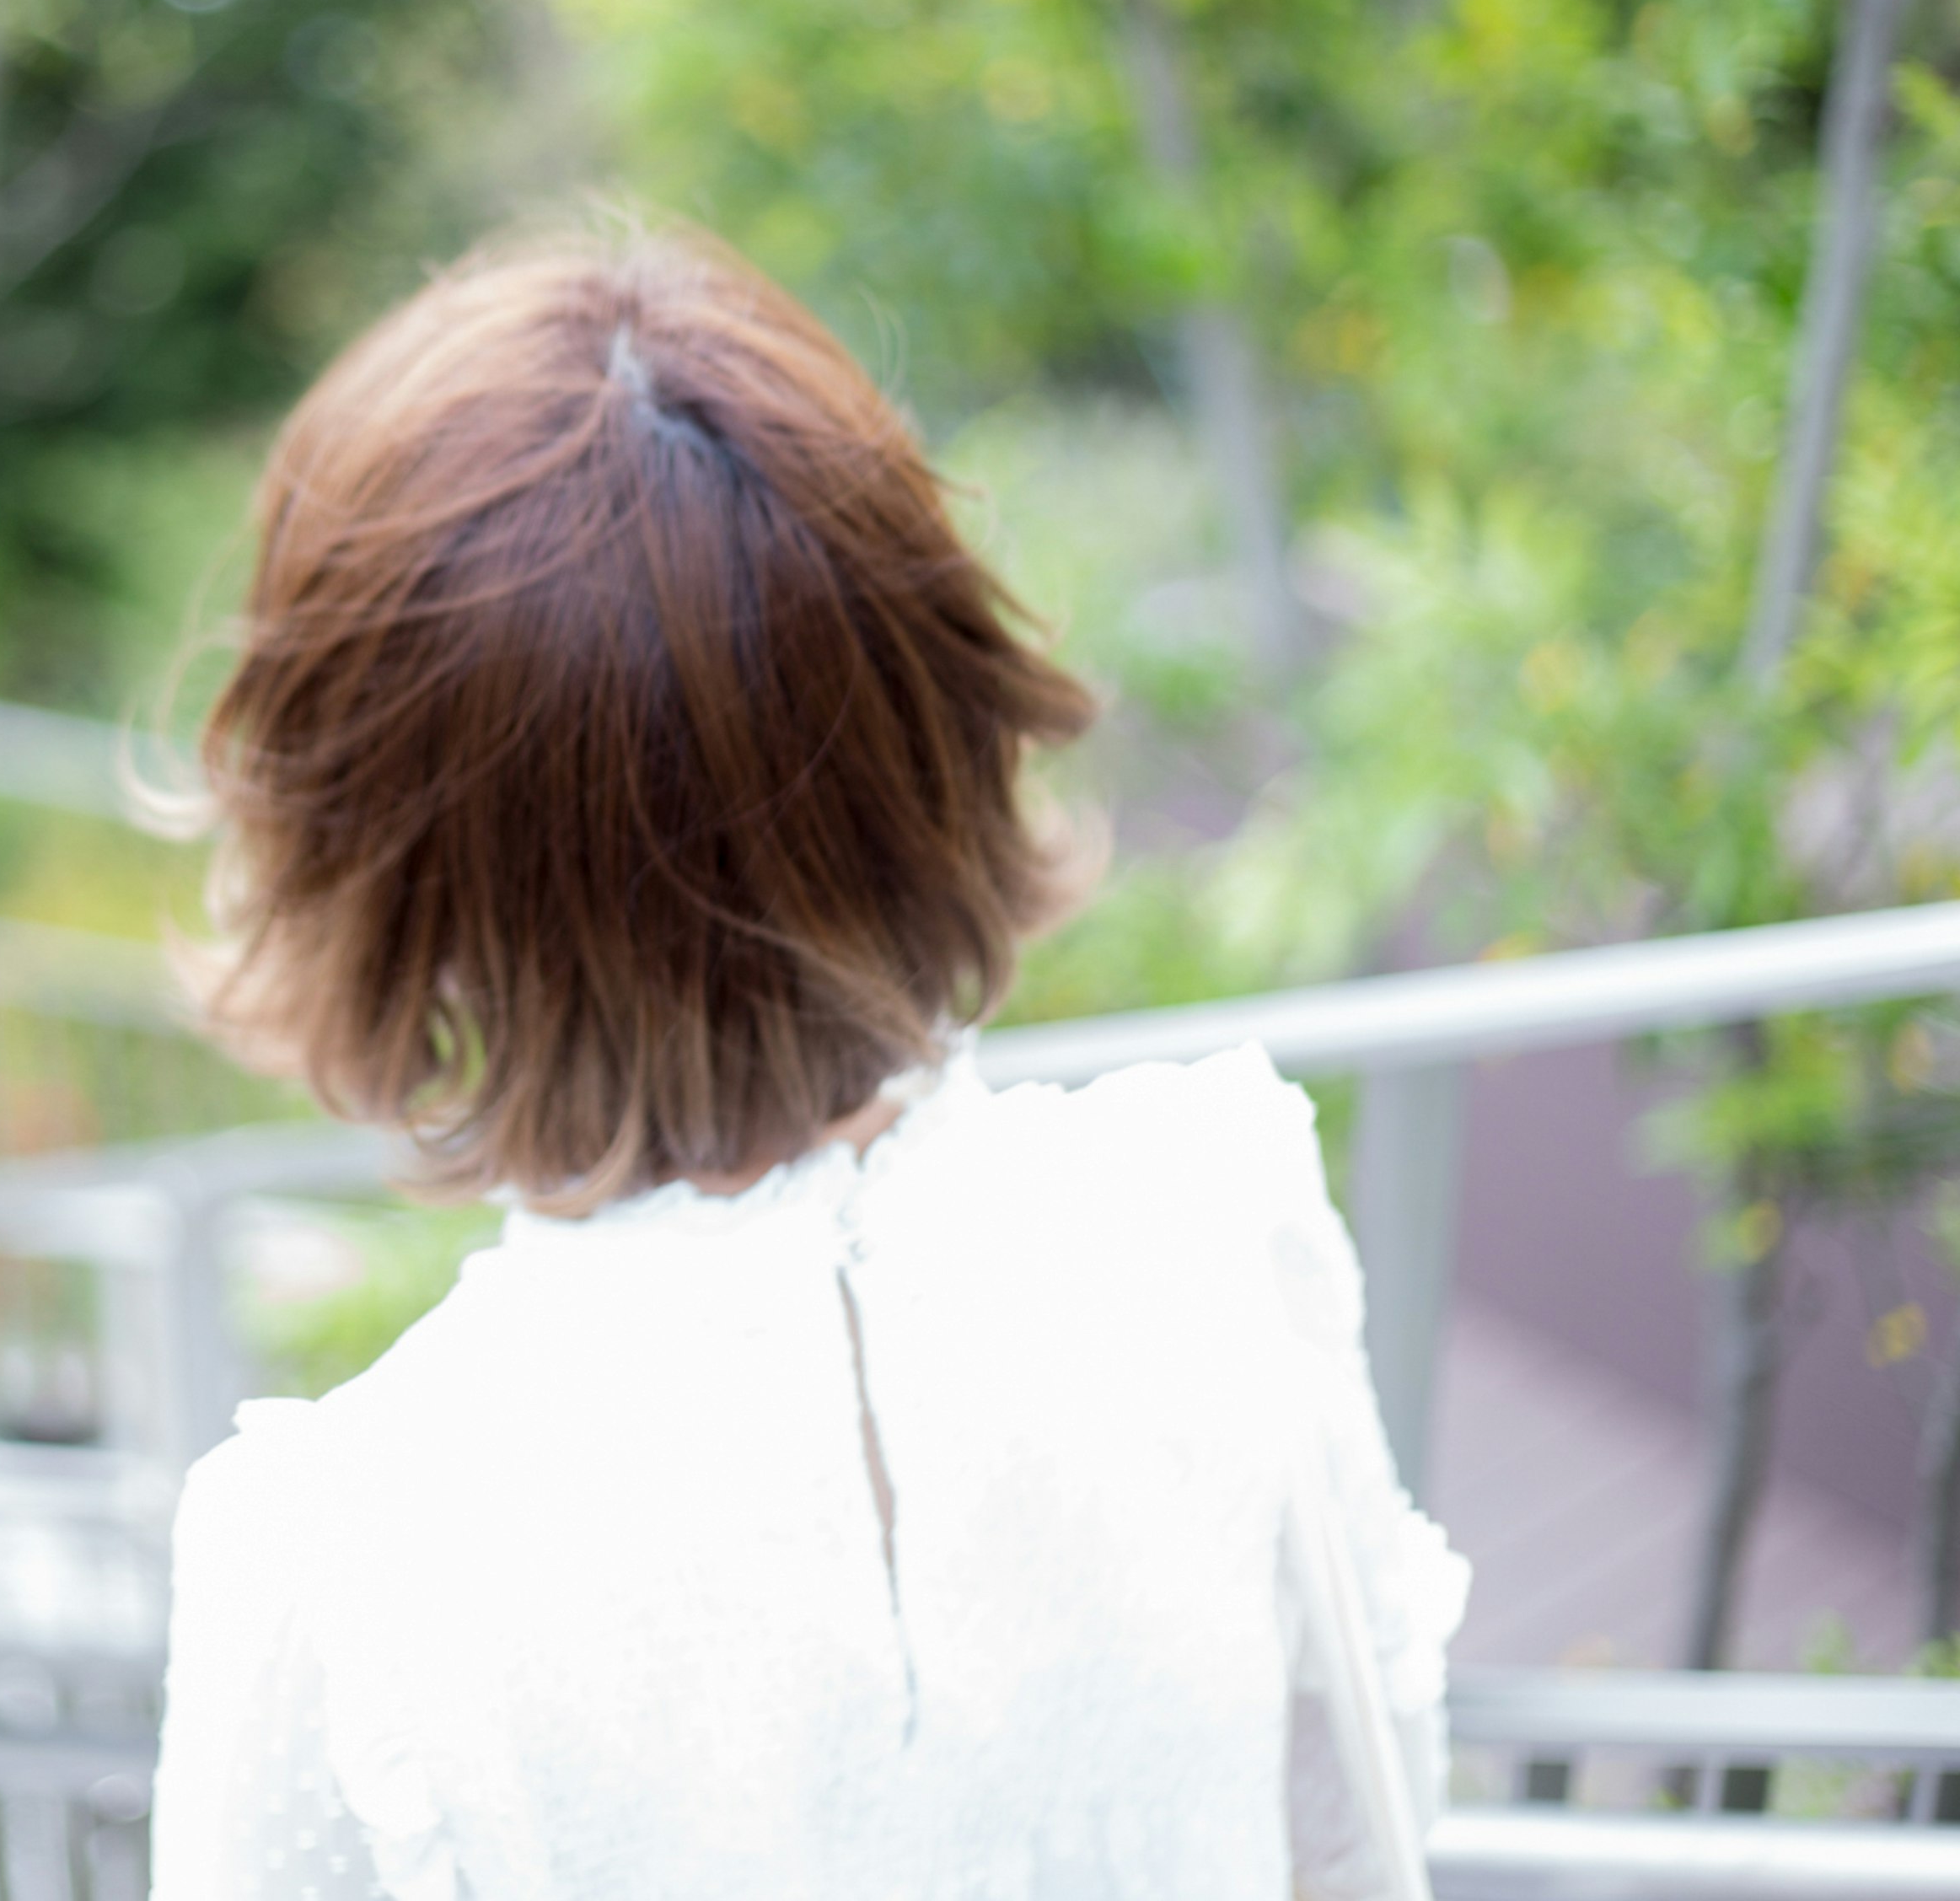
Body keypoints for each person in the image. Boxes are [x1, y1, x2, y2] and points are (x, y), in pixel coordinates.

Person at [150, 223, 1467, 1899]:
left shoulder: (350, 1556)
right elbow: (1362, 1831)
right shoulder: (1211, 1229)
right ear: (934, 728)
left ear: (384, 867)